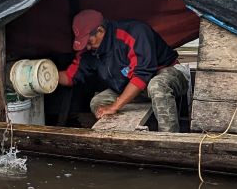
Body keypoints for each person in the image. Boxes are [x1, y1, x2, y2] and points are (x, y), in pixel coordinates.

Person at [57, 9, 189, 132]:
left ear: (100, 30)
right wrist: (44, 76)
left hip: (169, 74)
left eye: (88, 41)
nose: (87, 46)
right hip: (136, 89)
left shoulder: (135, 31)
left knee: (157, 86)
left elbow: (142, 75)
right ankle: (121, 140)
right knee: (97, 102)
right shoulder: (89, 52)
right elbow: (70, 77)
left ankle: (168, 141)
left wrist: (115, 106)